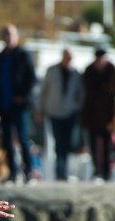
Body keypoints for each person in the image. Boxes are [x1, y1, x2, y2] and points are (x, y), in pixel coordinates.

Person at [0, 25, 37, 183]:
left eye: (11, 34)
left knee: (23, 138)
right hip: (4, 106)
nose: (8, 37)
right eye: (6, 34)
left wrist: (23, 96)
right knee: (7, 141)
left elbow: (32, 79)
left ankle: (29, 171)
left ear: (16, 36)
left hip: (19, 106)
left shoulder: (23, 55)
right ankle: (13, 172)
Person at [81, 47, 115, 181]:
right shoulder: (89, 71)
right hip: (92, 115)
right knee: (93, 145)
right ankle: (97, 170)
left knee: (108, 145)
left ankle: (107, 172)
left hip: (109, 116)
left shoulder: (113, 71)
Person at [39, 49, 84, 181]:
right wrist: (40, 108)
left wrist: (77, 106)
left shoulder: (76, 73)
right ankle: (60, 170)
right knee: (58, 141)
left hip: (70, 113)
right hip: (54, 112)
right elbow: (43, 91)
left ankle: (63, 169)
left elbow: (80, 92)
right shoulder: (51, 70)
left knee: (68, 142)